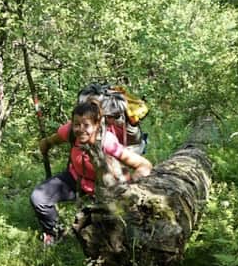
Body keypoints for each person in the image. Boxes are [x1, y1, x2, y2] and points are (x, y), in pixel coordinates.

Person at [30, 99, 153, 246]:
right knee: (39, 198)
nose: (80, 129)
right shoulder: (70, 131)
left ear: (96, 125)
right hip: (76, 178)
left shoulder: (108, 143)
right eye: (77, 124)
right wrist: (45, 144)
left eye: (86, 125)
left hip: (105, 187)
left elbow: (144, 165)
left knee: (108, 235)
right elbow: (50, 141)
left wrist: (131, 188)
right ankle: (56, 234)